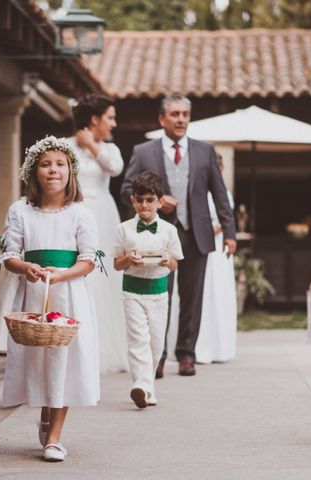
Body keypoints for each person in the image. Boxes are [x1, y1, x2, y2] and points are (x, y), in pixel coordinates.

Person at [120, 94, 236, 377]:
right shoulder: (144, 151)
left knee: (192, 298)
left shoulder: (204, 151)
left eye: (185, 114)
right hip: (158, 236)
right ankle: (157, 355)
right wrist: (156, 202)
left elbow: (220, 194)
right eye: (175, 114)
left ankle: (186, 354)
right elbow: (125, 189)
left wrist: (229, 232)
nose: (181, 119)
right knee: (160, 296)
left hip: (196, 234)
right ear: (162, 119)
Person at [0, 136, 99, 462]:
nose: (53, 170)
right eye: (45, 164)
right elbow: (9, 254)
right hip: (33, 292)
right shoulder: (20, 210)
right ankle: (45, 412)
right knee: (38, 359)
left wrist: (61, 274)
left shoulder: (81, 214)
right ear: (33, 172)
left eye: (60, 164)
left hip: (68, 292)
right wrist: (26, 267)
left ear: (71, 172)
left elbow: (89, 260)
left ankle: (54, 436)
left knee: (63, 360)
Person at [67, 93, 129, 374]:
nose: (114, 124)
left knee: (103, 278)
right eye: (110, 118)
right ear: (95, 119)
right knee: (77, 275)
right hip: (73, 213)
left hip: (102, 213)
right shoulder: (66, 147)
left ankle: (105, 348)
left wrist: (91, 144)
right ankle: (74, 345)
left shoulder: (110, 149)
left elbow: (115, 169)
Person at [111, 172, 183, 408]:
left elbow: (175, 263)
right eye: (140, 200)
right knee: (137, 340)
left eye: (150, 200)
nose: (145, 205)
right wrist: (128, 259)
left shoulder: (169, 231)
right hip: (132, 292)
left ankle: (148, 388)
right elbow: (116, 263)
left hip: (159, 293)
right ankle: (140, 385)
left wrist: (166, 260)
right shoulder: (124, 229)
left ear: (160, 202)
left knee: (156, 344)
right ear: (133, 201)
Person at [168, 156, 237, 363]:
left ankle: (215, 347)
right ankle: (189, 345)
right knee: (193, 297)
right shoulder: (192, 191)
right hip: (194, 247)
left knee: (216, 297)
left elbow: (225, 219)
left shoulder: (224, 193)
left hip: (215, 251)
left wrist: (212, 230)